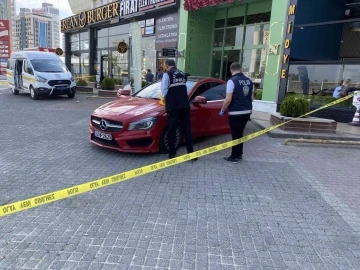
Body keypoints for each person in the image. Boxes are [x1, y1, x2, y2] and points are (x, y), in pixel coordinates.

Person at [219, 62, 254, 163]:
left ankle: (234, 156)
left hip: (235, 112)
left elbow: (228, 99)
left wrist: (222, 110)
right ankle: (239, 154)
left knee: (235, 134)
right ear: (241, 69)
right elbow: (252, 98)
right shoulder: (249, 81)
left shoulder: (232, 81)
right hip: (247, 111)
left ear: (231, 70)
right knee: (240, 133)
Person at [160, 59, 195, 159]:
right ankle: (191, 153)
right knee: (187, 129)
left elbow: (164, 91)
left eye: (165, 65)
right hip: (184, 105)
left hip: (173, 106)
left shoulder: (167, 74)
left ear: (167, 65)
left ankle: (172, 153)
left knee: (172, 129)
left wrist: (166, 100)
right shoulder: (183, 74)